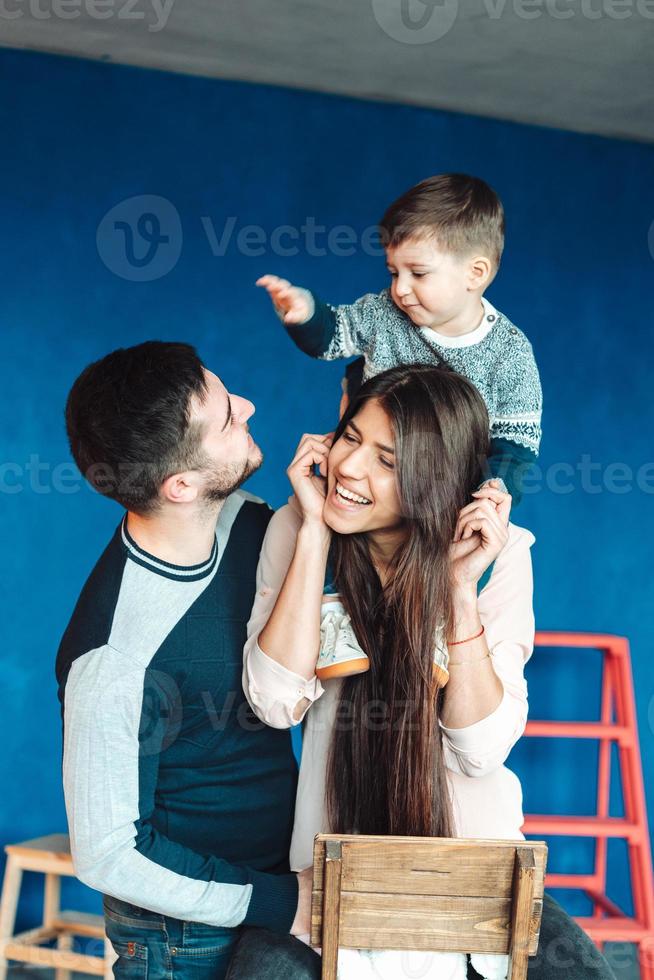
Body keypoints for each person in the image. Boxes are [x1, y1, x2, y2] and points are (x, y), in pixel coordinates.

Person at [240, 363, 615, 979]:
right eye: (351, 438)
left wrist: (460, 588)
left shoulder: (500, 554)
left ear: (434, 479)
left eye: (388, 460)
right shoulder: (297, 528)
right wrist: (313, 533)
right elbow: (275, 700)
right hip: (341, 888)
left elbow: (482, 747)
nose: (351, 469)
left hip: (479, 887)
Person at [55, 341, 319, 980]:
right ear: (180, 486)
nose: (250, 407)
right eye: (229, 415)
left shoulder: (247, 522)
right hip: (179, 939)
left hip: (277, 896)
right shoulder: (114, 658)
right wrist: (280, 901)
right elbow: (108, 855)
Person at [256, 172, 542, 507]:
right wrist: (306, 314)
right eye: (394, 273)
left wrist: (494, 490)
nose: (400, 289)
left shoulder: (509, 353)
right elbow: (333, 335)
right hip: (365, 483)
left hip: (442, 501)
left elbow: (516, 444)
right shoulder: (384, 313)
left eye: (418, 273)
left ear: (475, 273)